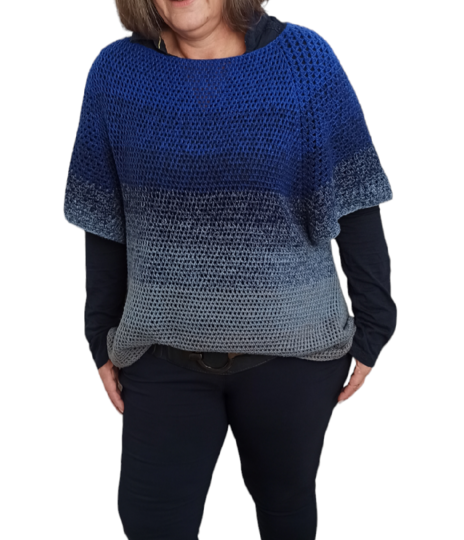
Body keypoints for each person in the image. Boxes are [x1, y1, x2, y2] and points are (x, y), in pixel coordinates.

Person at [63, 1, 397, 538]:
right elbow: (103, 216)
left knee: (285, 510)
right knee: (151, 521)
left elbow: (355, 195)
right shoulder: (116, 75)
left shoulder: (304, 61)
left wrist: (376, 324)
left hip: (294, 358)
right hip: (160, 355)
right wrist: (98, 335)